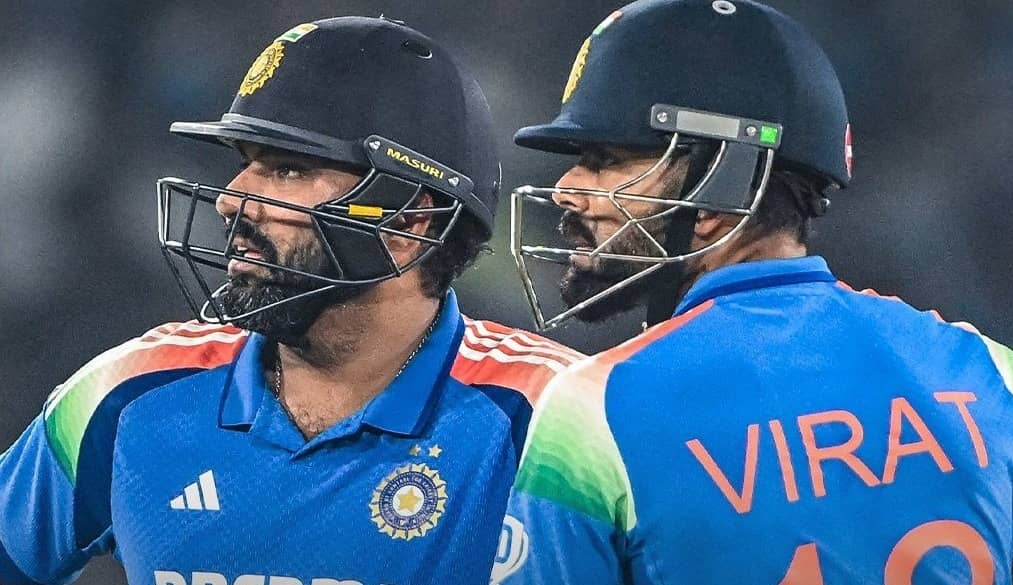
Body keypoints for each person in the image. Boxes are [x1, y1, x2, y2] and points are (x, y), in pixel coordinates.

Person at [0, 17, 584, 585]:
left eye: (287, 170)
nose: (232, 199)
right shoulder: (130, 393)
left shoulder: (554, 421)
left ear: (408, 220)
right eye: (244, 163)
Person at [497, 0, 1013, 583]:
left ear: (716, 195)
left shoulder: (596, 411)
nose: (566, 188)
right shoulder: (984, 371)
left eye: (605, 159)